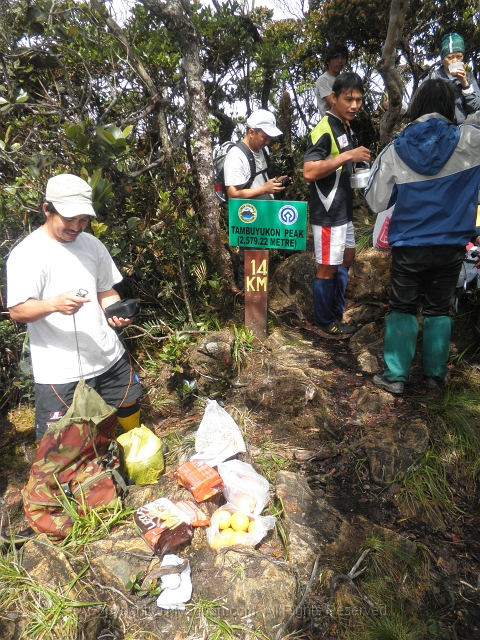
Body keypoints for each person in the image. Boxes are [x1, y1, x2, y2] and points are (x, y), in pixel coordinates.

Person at [7, 174, 143, 440]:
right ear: (47, 209)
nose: (77, 227)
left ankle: (130, 450)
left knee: (128, 400)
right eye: (68, 219)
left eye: (83, 219)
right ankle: (75, 476)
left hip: (107, 353)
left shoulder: (92, 245)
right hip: (61, 368)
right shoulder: (27, 254)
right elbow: (17, 311)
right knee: (61, 439)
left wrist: (114, 311)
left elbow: (105, 289)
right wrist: (52, 305)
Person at [365, 79, 480, 393]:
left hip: (410, 245)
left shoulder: (395, 149)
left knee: (402, 307)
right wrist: (469, 88)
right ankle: (434, 377)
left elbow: (375, 201)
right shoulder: (471, 140)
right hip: (453, 244)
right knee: (438, 308)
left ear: (415, 107)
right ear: (447, 107)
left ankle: (395, 377)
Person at [303, 72, 370, 336]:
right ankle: (325, 321)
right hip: (328, 211)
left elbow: (342, 162)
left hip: (344, 211)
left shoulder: (345, 126)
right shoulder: (324, 128)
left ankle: (336, 311)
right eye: (348, 99)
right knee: (328, 266)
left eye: (359, 99)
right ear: (333, 98)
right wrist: (347, 156)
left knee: (346, 259)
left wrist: (356, 161)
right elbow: (309, 171)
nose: (354, 105)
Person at [224, 109, 287, 289]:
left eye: (269, 138)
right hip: (248, 219)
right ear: (251, 131)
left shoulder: (262, 149)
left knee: (261, 259)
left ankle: (259, 301)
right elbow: (233, 194)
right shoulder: (236, 156)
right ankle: (247, 304)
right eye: (264, 137)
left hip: (264, 216)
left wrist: (274, 183)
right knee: (250, 261)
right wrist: (264, 188)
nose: (268, 142)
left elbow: (260, 177)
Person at [428, 32, 480, 124]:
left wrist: (465, 84)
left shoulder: (469, 77)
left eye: (459, 56)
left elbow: (476, 107)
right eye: (449, 57)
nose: (455, 60)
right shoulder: (432, 78)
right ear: (442, 58)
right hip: (438, 130)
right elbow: (420, 106)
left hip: (462, 132)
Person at [315, 44, 348, 118]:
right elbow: (336, 105)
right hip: (331, 125)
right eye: (336, 57)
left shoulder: (345, 81)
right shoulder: (323, 80)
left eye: (343, 57)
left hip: (345, 125)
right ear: (328, 61)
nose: (340, 61)